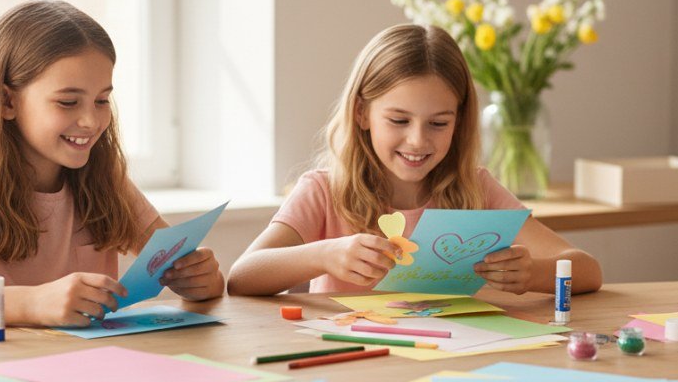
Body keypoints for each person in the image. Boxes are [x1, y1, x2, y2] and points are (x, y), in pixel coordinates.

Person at [0, 0, 224, 326]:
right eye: (68, 102)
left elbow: (182, 266)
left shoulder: (104, 179)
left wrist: (200, 281)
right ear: (6, 102)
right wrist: (31, 303)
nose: (91, 121)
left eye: (101, 101)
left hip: (87, 372)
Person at [228, 24, 602, 296]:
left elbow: (587, 269)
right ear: (361, 114)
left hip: (445, 361)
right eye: (399, 120)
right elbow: (242, 276)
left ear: (460, 121)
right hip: (352, 368)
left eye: (439, 123)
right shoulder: (324, 191)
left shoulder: (476, 190)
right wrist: (323, 256)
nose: (418, 140)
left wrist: (535, 273)